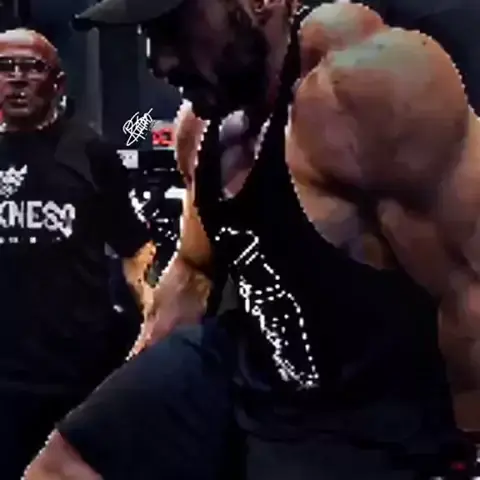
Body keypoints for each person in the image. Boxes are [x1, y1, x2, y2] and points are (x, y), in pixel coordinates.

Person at [25, 0, 480, 478]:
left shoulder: (368, 88)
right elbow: (194, 270)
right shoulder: (201, 128)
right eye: (149, 36)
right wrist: (128, 398)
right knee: (66, 463)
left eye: (174, 29)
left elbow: (470, 283)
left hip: (372, 411)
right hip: (249, 369)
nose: (159, 61)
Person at [0, 28, 155, 478]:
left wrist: (154, 322)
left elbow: (134, 248)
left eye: (32, 67)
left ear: (58, 83)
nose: (17, 78)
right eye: (5, 68)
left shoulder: (89, 153)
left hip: (74, 372)